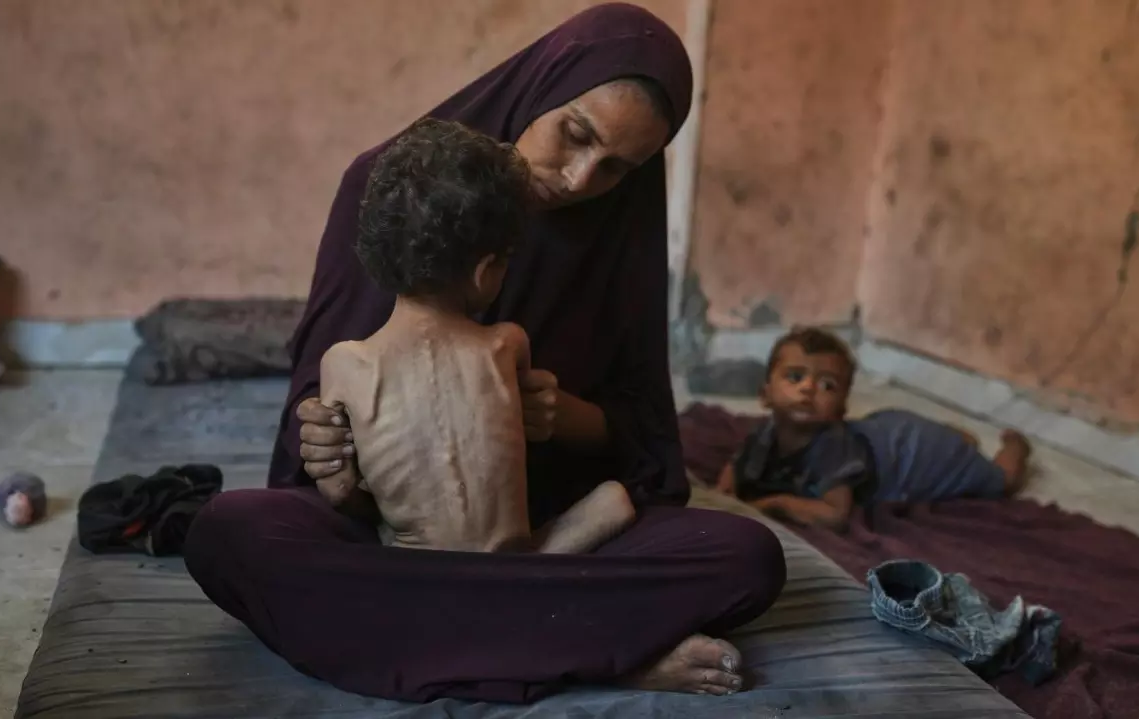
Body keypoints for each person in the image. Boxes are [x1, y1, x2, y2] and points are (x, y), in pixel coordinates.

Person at [183, 3, 786, 705]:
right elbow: (311, 414)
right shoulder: (387, 189)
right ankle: (594, 651)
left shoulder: (618, 238)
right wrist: (323, 437)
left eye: (617, 168)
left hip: (542, 522)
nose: (577, 178)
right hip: (398, 532)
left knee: (747, 556)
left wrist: (563, 416)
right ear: (542, 86)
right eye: (576, 134)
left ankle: (452, 637)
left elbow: (645, 441)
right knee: (228, 532)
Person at [321, 117, 635, 554]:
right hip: (515, 569)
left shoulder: (343, 363)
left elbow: (340, 492)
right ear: (486, 271)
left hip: (418, 579)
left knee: (253, 524)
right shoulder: (507, 344)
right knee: (615, 500)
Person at [716, 328, 1032, 530]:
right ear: (765, 395)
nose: (809, 388)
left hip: (913, 455)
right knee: (935, 436)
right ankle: (958, 438)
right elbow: (737, 463)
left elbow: (834, 513)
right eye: (795, 377)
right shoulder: (766, 433)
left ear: (841, 409)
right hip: (887, 431)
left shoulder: (832, 449)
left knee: (998, 482)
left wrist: (777, 503)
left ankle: (1013, 450)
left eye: (827, 384)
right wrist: (723, 491)